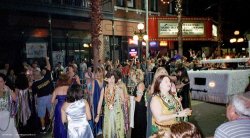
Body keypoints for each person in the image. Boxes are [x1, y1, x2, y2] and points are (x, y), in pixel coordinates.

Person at [95, 70, 125, 138]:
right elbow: (100, 103)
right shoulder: (104, 89)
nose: (111, 80)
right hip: (108, 116)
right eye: (110, 78)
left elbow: (123, 101)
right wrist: (97, 115)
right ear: (107, 79)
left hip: (117, 115)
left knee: (117, 134)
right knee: (109, 133)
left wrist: (120, 101)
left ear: (115, 79)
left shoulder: (119, 89)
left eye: (113, 78)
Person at [31, 57, 54, 133]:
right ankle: (43, 128)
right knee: (41, 114)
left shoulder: (46, 76)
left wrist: (47, 59)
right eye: (34, 72)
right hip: (40, 99)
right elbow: (33, 93)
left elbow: (49, 67)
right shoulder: (34, 84)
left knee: (51, 112)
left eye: (36, 71)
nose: (36, 72)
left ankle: (52, 126)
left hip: (50, 97)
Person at [51, 73, 70, 138]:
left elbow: (52, 101)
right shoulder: (69, 88)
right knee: (68, 121)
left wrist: (58, 100)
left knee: (59, 122)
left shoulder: (57, 89)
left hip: (59, 107)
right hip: (68, 106)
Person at [0, 73, 19, 138]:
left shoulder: (8, 90)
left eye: (1, 81)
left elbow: (16, 99)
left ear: (4, 82)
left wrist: (9, 91)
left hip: (8, 118)